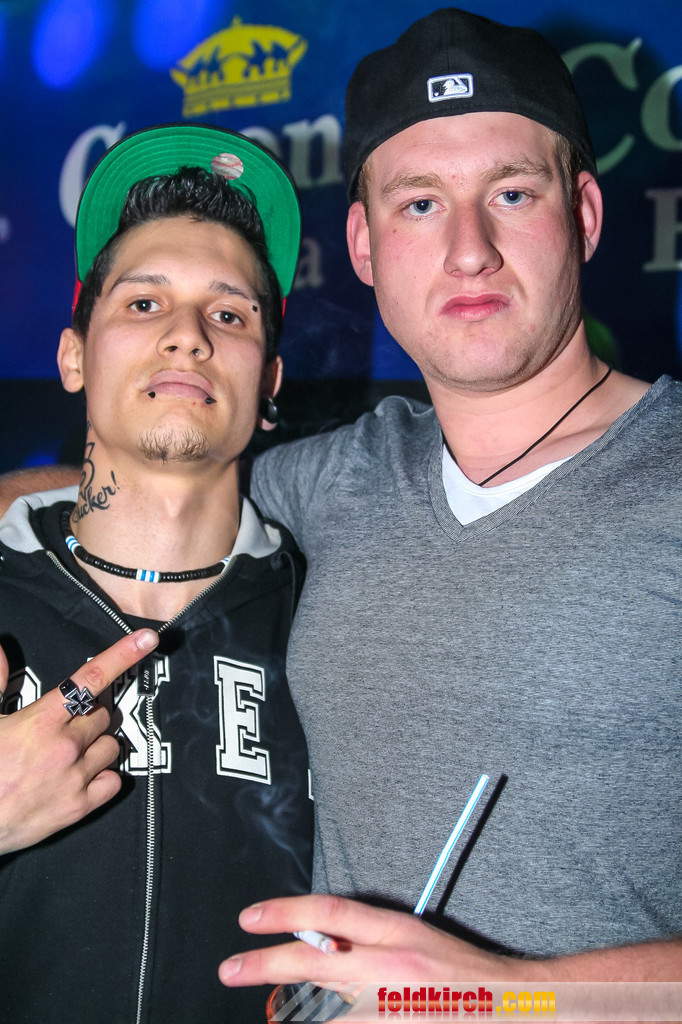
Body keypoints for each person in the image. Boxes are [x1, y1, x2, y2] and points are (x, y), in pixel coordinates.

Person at [216, 8, 682, 986]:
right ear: (364, 245)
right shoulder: (327, 480)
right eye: (420, 204)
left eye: (511, 193)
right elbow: (131, 501)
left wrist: (505, 998)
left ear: (584, 215)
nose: (470, 249)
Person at [0, 123, 313, 1023]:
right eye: (144, 303)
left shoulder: (338, 622)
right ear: (73, 356)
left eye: (230, 314)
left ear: (270, 380)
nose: (187, 336)